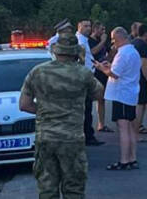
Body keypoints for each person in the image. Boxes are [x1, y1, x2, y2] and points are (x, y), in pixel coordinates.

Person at [20, 27, 103, 198]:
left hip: (46, 137)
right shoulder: (83, 73)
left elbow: (24, 105)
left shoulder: (38, 72)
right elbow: (99, 93)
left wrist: (45, 111)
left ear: (55, 50)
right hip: (72, 138)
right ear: (75, 52)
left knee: (47, 188)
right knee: (74, 187)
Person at [48, 19, 104, 147]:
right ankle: (86, 135)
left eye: (89, 26)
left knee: (86, 108)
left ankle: (88, 134)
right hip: (76, 78)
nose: (88, 28)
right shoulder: (64, 41)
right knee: (83, 108)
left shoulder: (80, 39)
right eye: (85, 26)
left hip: (84, 75)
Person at [95, 27, 141, 170]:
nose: (112, 41)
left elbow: (114, 74)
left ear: (120, 38)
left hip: (121, 94)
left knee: (123, 128)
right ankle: (132, 158)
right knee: (130, 128)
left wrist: (101, 68)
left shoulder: (122, 54)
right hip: (131, 93)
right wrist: (110, 66)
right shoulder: (133, 51)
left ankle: (124, 160)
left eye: (113, 38)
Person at [131, 24, 147, 139]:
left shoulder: (133, 42)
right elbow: (144, 64)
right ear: (146, 33)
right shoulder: (144, 45)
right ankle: (135, 133)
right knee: (140, 106)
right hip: (140, 79)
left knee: (136, 105)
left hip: (132, 77)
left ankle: (133, 131)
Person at [88, 22, 112, 133]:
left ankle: (101, 124)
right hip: (94, 72)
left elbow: (108, 53)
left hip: (103, 71)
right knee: (90, 98)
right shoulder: (90, 41)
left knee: (101, 99)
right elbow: (92, 52)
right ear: (95, 29)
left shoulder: (102, 41)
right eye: (101, 29)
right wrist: (102, 41)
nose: (103, 32)